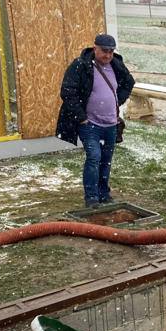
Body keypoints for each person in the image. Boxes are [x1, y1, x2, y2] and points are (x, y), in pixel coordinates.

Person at [56, 33, 135, 207]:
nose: (107, 55)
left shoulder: (116, 65)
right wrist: (81, 118)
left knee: (106, 159)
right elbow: (67, 91)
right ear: (95, 48)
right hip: (90, 124)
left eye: (111, 51)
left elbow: (129, 83)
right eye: (104, 51)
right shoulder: (81, 66)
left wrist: (116, 101)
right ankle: (91, 197)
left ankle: (103, 194)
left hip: (111, 124)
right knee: (94, 157)